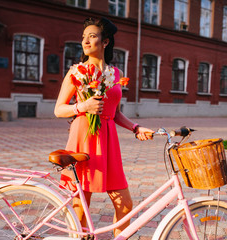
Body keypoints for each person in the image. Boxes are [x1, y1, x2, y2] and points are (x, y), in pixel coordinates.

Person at [54, 17, 154, 237]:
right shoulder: (77, 72)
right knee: (81, 207)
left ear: (105, 41)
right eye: (84, 37)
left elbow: (114, 112)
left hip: (109, 143)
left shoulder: (115, 74)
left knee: (125, 205)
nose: (86, 41)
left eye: (92, 36)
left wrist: (136, 128)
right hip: (83, 138)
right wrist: (83, 106)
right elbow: (59, 109)